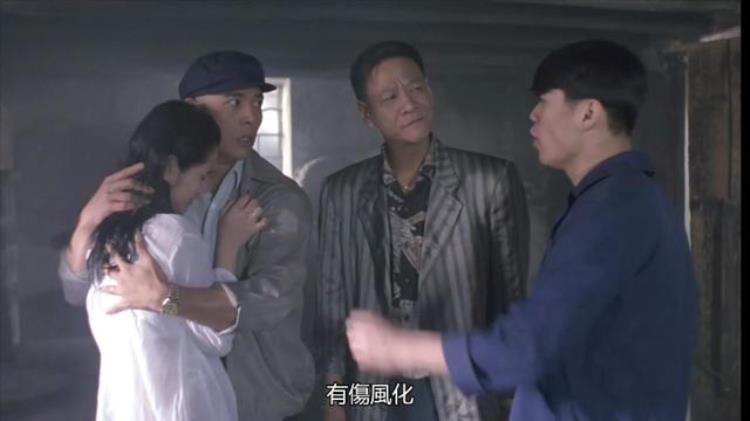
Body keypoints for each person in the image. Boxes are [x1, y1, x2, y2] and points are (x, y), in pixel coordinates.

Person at [345, 39, 697, 421]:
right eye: (389, 97)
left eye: (544, 101)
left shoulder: (613, 210)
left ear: (588, 113)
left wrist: (403, 349)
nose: (533, 115)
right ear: (368, 114)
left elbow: (530, 344)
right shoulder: (621, 201)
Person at [59, 51, 315, 420]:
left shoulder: (279, 199)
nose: (251, 116)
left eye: (257, 102)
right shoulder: (141, 195)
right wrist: (86, 224)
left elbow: (271, 300)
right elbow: (78, 292)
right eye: (234, 102)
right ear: (193, 109)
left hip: (258, 399)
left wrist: (165, 298)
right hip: (166, 399)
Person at [318, 40, 529, 421]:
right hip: (374, 389)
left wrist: (510, 401)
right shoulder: (342, 192)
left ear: (429, 91)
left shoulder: (489, 181)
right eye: (390, 97)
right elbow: (333, 308)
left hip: (459, 387)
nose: (409, 104)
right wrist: (334, 399)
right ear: (367, 114)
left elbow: (509, 302)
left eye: (416, 88)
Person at [62, 100, 267, 420]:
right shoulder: (174, 235)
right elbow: (216, 339)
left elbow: (74, 292)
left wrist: (86, 222)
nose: (204, 190)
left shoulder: (107, 238)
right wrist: (228, 248)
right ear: (172, 169)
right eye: (203, 175)